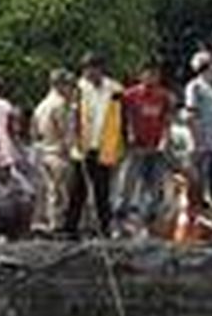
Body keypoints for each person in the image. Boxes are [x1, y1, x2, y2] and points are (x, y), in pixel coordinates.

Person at [67, 53, 123, 237]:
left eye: (93, 68)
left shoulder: (114, 89)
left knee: (102, 190)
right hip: (83, 146)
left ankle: (103, 228)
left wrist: (118, 145)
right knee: (77, 189)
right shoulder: (79, 88)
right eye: (86, 69)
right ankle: (71, 228)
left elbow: (120, 118)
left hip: (104, 146)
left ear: (101, 69)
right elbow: (73, 115)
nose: (89, 73)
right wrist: (75, 139)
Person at [120, 63, 174, 230]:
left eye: (154, 74)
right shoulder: (130, 95)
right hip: (136, 147)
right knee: (128, 184)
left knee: (155, 186)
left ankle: (149, 221)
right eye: (148, 74)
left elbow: (167, 120)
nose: (151, 77)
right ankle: (122, 219)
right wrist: (129, 136)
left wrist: (165, 140)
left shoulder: (164, 96)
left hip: (156, 147)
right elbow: (123, 118)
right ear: (141, 75)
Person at [185, 51, 212, 224]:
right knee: (199, 189)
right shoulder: (195, 86)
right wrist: (196, 142)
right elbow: (190, 115)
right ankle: (195, 227)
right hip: (202, 146)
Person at [32, 69, 75, 235]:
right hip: (58, 152)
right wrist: (69, 148)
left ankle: (49, 221)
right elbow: (65, 130)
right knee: (60, 192)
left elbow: (34, 131)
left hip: (44, 151)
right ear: (59, 85)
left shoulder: (41, 105)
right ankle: (57, 225)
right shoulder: (60, 104)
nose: (69, 88)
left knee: (50, 190)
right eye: (67, 84)